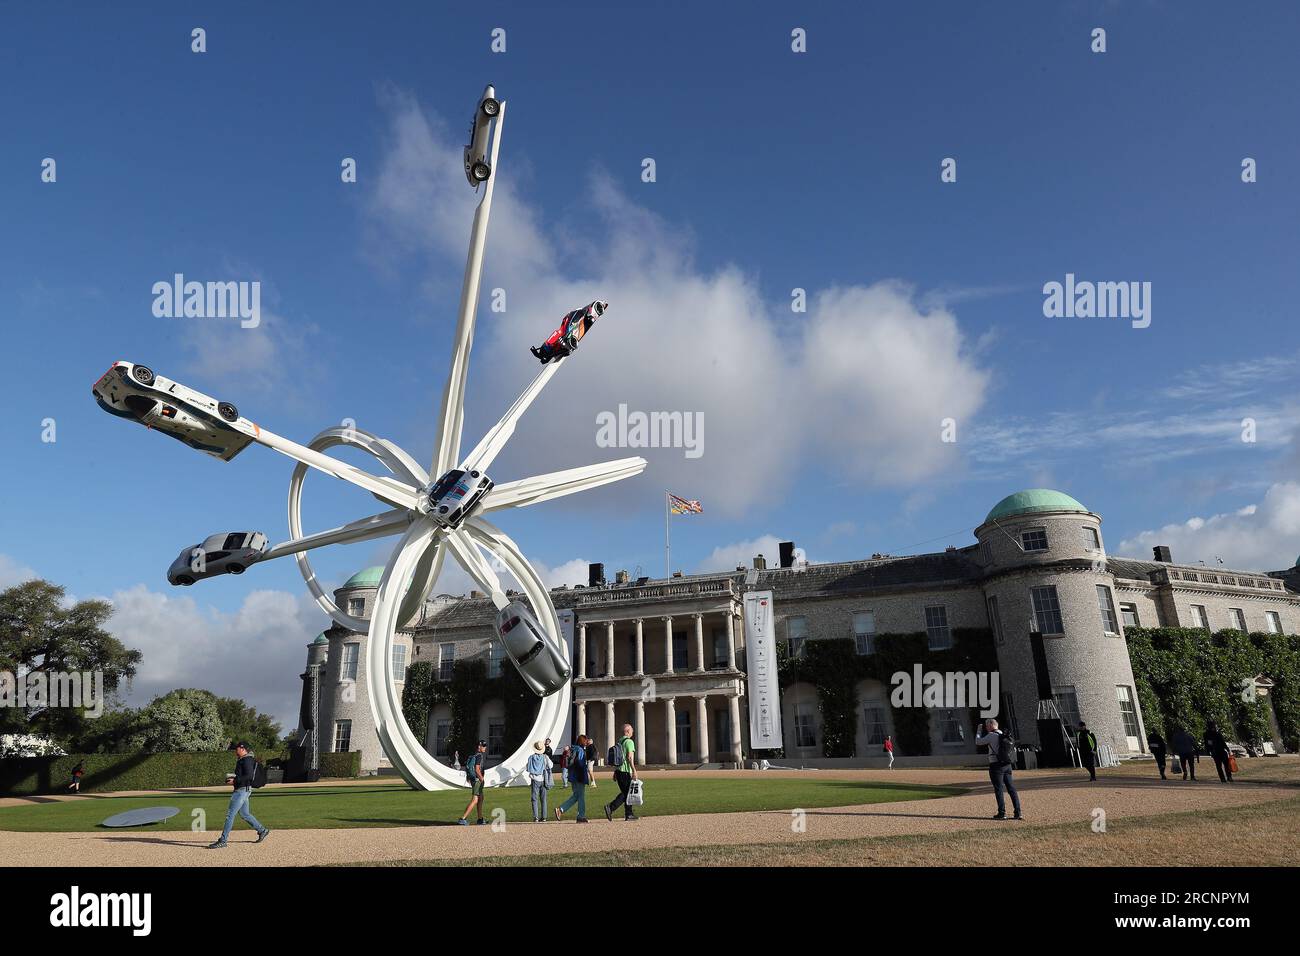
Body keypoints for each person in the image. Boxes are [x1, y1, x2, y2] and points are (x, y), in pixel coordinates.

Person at [208, 742, 270, 848]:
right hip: (243, 789)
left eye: (236, 749)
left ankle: (223, 840)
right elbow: (245, 775)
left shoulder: (246, 760)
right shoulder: (245, 759)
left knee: (230, 815)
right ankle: (262, 830)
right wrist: (234, 779)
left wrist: (235, 781)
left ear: (242, 749)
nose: (235, 751)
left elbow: (249, 776)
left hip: (242, 791)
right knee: (245, 814)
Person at [975, 718, 1022, 821]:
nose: (986, 728)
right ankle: (1018, 812)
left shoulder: (991, 735)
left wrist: (979, 730)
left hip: (996, 765)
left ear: (991, 725)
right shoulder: (1003, 734)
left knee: (999, 789)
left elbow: (978, 742)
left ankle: (1002, 813)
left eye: (987, 726)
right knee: (1011, 788)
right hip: (1007, 764)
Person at [604, 723, 639, 822]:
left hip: (619, 771)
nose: (632, 732)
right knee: (627, 793)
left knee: (627, 793)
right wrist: (634, 770)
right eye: (631, 730)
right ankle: (611, 807)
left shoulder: (620, 741)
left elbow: (618, 757)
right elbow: (629, 757)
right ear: (627, 731)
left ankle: (629, 814)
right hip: (625, 771)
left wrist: (615, 771)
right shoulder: (629, 742)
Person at [554, 734, 591, 822]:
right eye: (585, 741)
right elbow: (581, 764)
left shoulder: (573, 749)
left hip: (572, 775)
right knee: (581, 796)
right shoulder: (580, 750)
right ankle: (581, 816)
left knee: (576, 796)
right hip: (579, 776)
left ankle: (561, 809)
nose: (587, 742)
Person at [458, 740, 488, 825]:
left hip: (474, 779)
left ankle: (480, 819)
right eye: (483, 746)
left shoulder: (474, 755)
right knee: (475, 799)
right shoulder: (479, 756)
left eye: (485, 746)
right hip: (478, 780)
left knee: (481, 798)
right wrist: (482, 779)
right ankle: (462, 818)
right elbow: (477, 769)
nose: (485, 747)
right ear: (479, 746)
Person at [527, 741, 550, 822]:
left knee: (534, 799)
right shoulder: (545, 757)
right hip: (543, 779)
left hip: (534, 779)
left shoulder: (531, 757)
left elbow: (528, 768)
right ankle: (544, 817)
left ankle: (536, 817)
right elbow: (550, 765)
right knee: (543, 799)